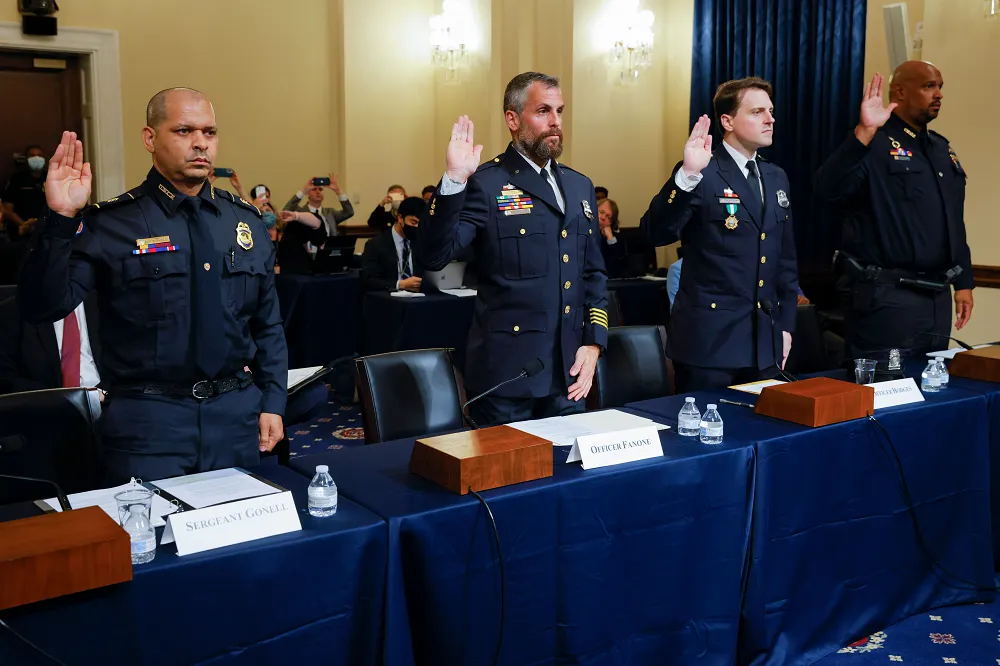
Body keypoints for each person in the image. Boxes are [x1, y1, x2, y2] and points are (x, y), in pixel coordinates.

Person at [17, 87, 288, 483]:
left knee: (237, 540)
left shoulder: (243, 222)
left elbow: (268, 325)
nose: (200, 143)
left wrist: (274, 401)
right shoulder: (112, 223)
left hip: (234, 416)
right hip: (149, 424)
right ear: (150, 138)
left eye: (209, 133)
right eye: (183, 131)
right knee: (150, 543)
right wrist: (59, 218)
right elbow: (43, 306)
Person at [421, 72, 609, 426]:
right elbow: (435, 255)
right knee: (507, 481)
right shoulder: (487, 183)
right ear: (512, 119)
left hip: (568, 375)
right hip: (508, 377)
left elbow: (592, 273)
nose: (555, 122)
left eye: (559, 111)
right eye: (542, 111)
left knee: (571, 477)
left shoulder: (579, 185)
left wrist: (594, 341)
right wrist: (454, 180)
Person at [641, 77, 799, 392]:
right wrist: (686, 176)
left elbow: (784, 261)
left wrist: (785, 327)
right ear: (727, 120)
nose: (770, 119)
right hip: (710, 344)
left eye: (770, 111)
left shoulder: (775, 176)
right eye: (757, 112)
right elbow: (654, 233)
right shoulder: (702, 170)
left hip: (763, 342)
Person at [815, 64, 973, 358]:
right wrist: (864, 132)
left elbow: (952, 220)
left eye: (940, 86)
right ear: (900, 91)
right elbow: (828, 189)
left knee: (930, 392)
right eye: (928, 86)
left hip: (936, 296)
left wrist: (963, 282)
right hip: (886, 297)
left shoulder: (940, 148)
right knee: (885, 394)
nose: (938, 94)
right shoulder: (873, 143)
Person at [0, 293, 102, 397]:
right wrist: (62, 399)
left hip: (106, 401)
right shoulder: (10, 313)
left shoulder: (109, 303)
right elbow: (6, 379)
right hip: (45, 406)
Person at [361, 196, 425, 292]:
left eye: (421, 224)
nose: (417, 227)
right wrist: (400, 284)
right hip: (388, 298)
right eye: (413, 222)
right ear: (400, 218)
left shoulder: (421, 243)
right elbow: (368, 280)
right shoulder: (375, 245)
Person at [284, 174, 355, 236]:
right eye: (314, 189)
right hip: (306, 250)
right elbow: (286, 211)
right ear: (308, 193)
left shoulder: (330, 213)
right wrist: (303, 190)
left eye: (320, 189)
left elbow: (349, 212)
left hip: (328, 248)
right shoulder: (300, 212)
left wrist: (338, 191)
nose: (318, 192)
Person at [2, 145, 48, 240]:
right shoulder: (17, 178)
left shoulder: (50, 177)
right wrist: (26, 226)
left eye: (39, 155)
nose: (36, 158)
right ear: (26, 159)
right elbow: (7, 209)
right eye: (32, 155)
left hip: (47, 230)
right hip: (22, 230)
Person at [276, 207, 328, 274]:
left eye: (267, 210)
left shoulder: (291, 227)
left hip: (298, 275)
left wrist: (296, 216)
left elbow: (317, 223)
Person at [597, 198, 629, 278]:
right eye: (601, 212)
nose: (603, 218)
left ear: (611, 222)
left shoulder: (615, 240)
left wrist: (610, 239)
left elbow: (617, 269)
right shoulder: (581, 233)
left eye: (608, 216)